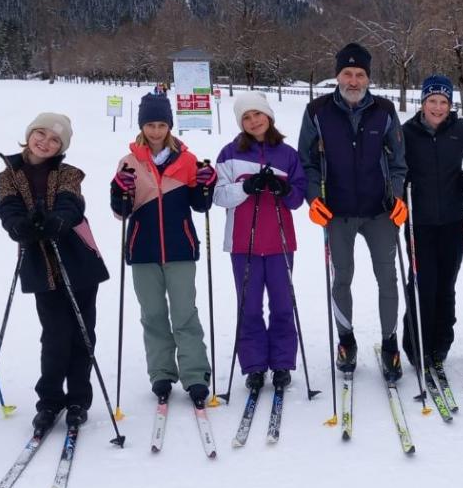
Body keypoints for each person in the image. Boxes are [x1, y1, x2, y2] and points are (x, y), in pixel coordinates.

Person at [297, 42, 409, 379]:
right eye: (348, 73)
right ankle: (346, 341)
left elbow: (399, 162)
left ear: (368, 78)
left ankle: (390, 344)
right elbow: (307, 162)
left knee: (387, 279)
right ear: (337, 76)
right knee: (341, 278)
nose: (354, 81)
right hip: (337, 213)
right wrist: (314, 198)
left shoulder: (384, 110)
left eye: (360, 74)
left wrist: (398, 196)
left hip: (380, 212)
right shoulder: (317, 111)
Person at [0, 113, 109, 433]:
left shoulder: (68, 173)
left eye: (55, 140)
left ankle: (78, 400)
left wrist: (57, 220)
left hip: (77, 260)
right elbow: (7, 207)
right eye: (41, 134)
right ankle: (49, 400)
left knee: (82, 333)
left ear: (62, 147)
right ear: (30, 134)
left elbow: (72, 203)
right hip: (39, 264)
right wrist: (19, 225)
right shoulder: (9, 175)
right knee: (54, 335)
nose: (45, 142)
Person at [110, 92, 216, 407]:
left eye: (161, 125)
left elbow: (200, 205)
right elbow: (120, 211)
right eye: (150, 125)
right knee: (153, 315)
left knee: (185, 314)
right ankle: (161, 373)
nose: (156, 131)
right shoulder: (129, 162)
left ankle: (195, 375)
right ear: (142, 126)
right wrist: (120, 191)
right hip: (142, 250)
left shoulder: (187, 160)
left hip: (180, 249)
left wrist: (205, 185)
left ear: (169, 126)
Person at [213, 92, 307, 392]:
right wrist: (245, 188)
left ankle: (282, 363)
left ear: (268, 116)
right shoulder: (229, 154)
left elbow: (298, 198)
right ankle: (254, 366)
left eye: (258, 114)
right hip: (243, 244)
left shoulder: (288, 154)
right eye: (247, 117)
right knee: (249, 307)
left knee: (282, 305)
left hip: (280, 242)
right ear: (240, 123)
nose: (254, 121)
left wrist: (284, 189)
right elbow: (218, 195)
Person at [401, 75, 463, 372]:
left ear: (450, 105)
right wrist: (402, 187)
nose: (438, 107)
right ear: (423, 103)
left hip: (452, 221)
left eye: (443, 102)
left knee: (446, 285)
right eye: (432, 101)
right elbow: (392, 164)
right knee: (423, 284)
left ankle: (440, 344)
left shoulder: (459, 129)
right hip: (419, 222)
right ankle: (417, 345)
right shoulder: (407, 132)